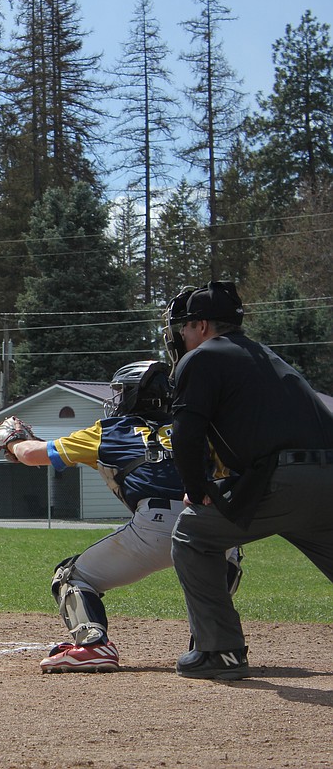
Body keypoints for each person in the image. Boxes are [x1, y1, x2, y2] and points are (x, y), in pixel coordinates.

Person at [0, 360, 242, 674]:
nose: (117, 399)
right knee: (228, 555)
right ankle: (214, 644)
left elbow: (32, 455)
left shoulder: (110, 431)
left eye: (122, 391)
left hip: (155, 527)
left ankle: (93, 646)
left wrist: (15, 438)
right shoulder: (196, 427)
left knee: (71, 576)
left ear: (135, 395)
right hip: (213, 523)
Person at [165, 281, 333, 680]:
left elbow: (186, 433)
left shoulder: (202, 357)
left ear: (202, 325)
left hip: (284, 480)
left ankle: (219, 651)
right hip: (327, 476)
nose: (181, 335)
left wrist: (195, 486)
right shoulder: (267, 356)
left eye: (185, 327)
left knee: (194, 537)